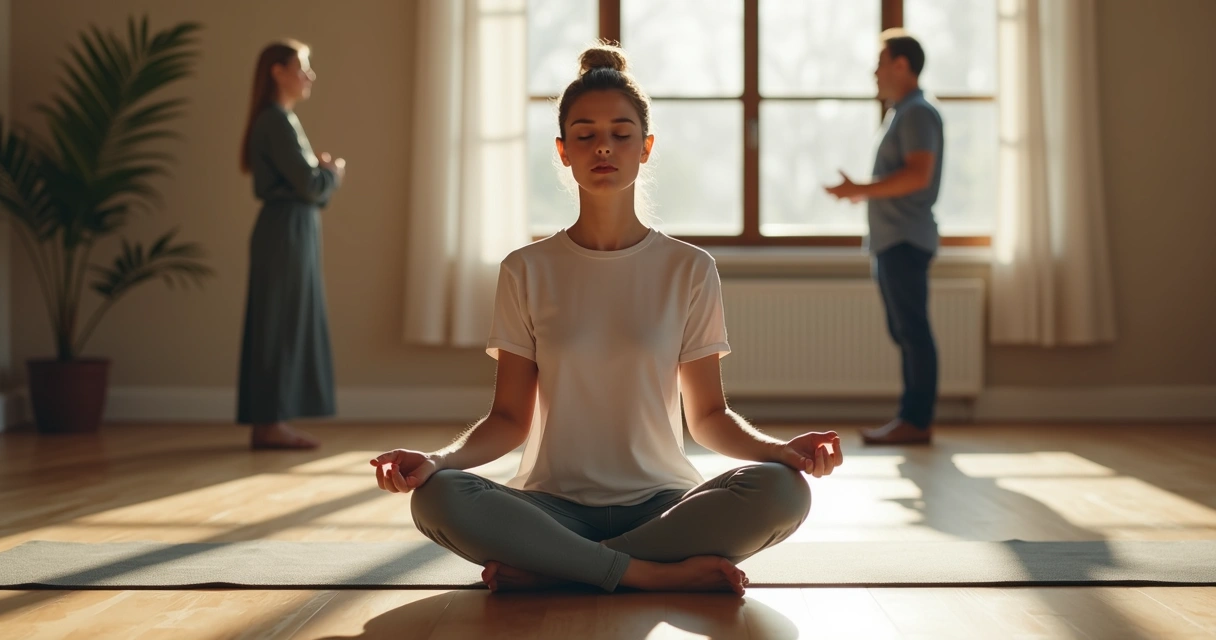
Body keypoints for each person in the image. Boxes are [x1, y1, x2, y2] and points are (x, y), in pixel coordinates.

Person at [371, 44, 843, 596]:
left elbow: (710, 415)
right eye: (584, 134)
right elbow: (507, 418)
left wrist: (778, 452)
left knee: (784, 491)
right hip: (550, 507)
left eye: (621, 134)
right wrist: (436, 459)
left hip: (665, 507)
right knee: (437, 496)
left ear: (645, 149)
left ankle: (560, 569)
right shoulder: (526, 270)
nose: (603, 147)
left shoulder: (689, 269)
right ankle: (645, 575)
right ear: (563, 151)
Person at [825, 29, 943, 446]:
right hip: (894, 239)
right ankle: (912, 419)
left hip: (905, 240)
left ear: (901, 65)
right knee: (905, 331)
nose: (874, 71)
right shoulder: (902, 113)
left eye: (880, 62)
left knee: (912, 331)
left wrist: (860, 189)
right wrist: (861, 191)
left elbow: (917, 174)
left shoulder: (916, 114)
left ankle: (915, 420)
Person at [237, 40, 346, 450]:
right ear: (277, 72)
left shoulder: (280, 120)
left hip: (291, 228)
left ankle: (272, 420)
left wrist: (318, 177)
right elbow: (309, 184)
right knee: (278, 322)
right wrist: (331, 173)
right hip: (285, 231)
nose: (309, 75)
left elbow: (304, 182)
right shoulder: (275, 121)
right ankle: (269, 423)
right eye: (302, 67)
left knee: (283, 319)